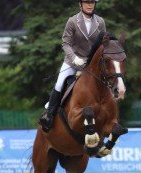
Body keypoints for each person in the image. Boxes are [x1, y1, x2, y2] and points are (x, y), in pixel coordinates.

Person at [39, 0, 106, 132]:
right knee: (59, 84)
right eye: (87, 2)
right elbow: (65, 43)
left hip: (91, 64)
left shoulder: (100, 22)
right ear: (80, 5)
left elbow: (103, 42)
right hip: (73, 61)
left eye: (92, 2)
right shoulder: (72, 21)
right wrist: (74, 58)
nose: (90, 5)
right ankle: (49, 115)